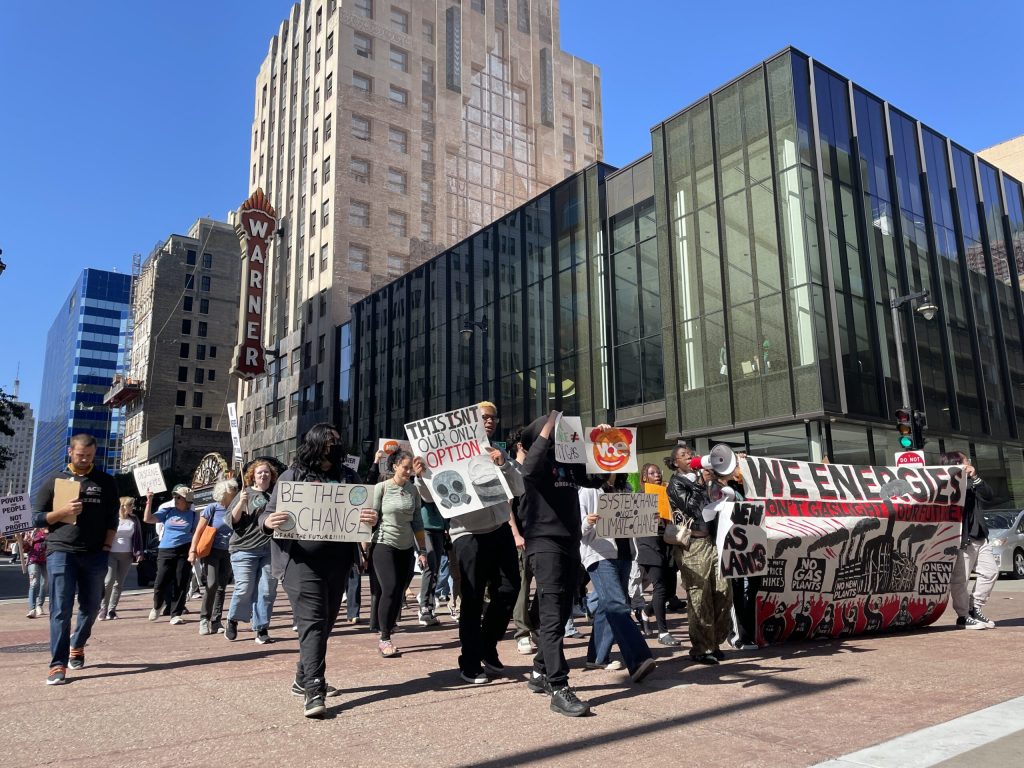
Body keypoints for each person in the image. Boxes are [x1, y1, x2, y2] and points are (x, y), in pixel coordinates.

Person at [261, 423, 376, 718]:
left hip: (338, 561)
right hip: (301, 563)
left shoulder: (348, 476)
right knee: (312, 622)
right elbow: (266, 513)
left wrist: (370, 517)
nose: (334, 446)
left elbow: (363, 513)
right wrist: (269, 521)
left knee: (325, 623)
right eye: (328, 442)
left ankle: (302, 677)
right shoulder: (292, 476)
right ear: (314, 444)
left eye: (337, 441)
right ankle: (315, 689)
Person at [413, 401, 525, 685]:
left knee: (511, 588)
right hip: (467, 534)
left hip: (499, 529)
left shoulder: (497, 451)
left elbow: (518, 487)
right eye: (484, 417)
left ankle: (487, 644)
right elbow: (429, 497)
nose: (490, 421)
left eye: (493, 417)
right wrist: (421, 476)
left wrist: (504, 464)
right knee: (472, 599)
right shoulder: (446, 455)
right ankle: (470, 661)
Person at [518, 411, 608, 717]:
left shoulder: (569, 464)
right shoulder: (537, 463)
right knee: (553, 615)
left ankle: (539, 672)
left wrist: (604, 442)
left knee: (561, 610)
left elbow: (597, 478)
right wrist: (547, 427)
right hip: (544, 544)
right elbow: (527, 470)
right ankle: (559, 687)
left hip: (570, 543)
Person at [32, 433, 119, 685]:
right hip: (61, 550)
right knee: (60, 609)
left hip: (95, 554)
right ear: (70, 452)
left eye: (89, 456)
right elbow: (36, 517)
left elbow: (112, 518)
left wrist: (105, 546)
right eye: (80, 455)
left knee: (92, 606)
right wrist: (62, 512)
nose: (84, 460)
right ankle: (57, 664)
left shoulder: (105, 481)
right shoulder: (55, 480)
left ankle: (77, 644)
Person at [579, 475, 657, 683]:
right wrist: (587, 521)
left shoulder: (627, 488)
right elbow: (576, 528)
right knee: (617, 604)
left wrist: (648, 518)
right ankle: (638, 659)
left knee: (608, 605)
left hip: (624, 554)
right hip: (599, 555)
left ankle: (596, 657)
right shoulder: (589, 490)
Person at [666, 446, 734, 664]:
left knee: (723, 590)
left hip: (712, 542)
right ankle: (701, 648)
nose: (689, 458)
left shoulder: (704, 479)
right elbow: (693, 508)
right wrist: (700, 483)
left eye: (690, 454)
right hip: (692, 545)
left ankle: (715, 641)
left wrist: (716, 480)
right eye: (684, 456)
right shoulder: (676, 483)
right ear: (676, 463)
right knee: (699, 596)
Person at [372, 450, 428, 658]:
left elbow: (417, 522)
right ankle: (384, 637)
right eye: (405, 467)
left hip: (406, 548)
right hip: (384, 544)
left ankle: (389, 624)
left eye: (410, 468)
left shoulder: (413, 490)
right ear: (395, 466)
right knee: (390, 587)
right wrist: (363, 547)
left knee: (399, 590)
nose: (408, 471)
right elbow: (372, 518)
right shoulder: (382, 488)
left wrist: (422, 550)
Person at [942, 450, 997, 629]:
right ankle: (963, 616)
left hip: (980, 535)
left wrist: (976, 478)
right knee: (961, 579)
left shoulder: (973, 481)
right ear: (958, 463)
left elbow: (989, 496)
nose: (970, 463)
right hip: (962, 538)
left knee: (990, 572)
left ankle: (975, 607)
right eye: (966, 460)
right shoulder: (949, 485)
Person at [226, 459, 278, 643]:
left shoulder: (277, 495)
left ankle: (261, 628)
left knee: (267, 590)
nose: (264, 475)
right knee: (244, 588)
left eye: (267, 472)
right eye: (260, 473)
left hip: (270, 549)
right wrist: (240, 503)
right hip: (244, 549)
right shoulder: (244, 493)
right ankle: (233, 619)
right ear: (252, 477)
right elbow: (231, 521)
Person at [635, 462, 680, 646]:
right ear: (644, 477)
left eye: (658, 472)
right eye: (652, 473)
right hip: (648, 544)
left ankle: (646, 612)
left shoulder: (666, 493)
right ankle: (663, 633)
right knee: (660, 587)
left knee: (669, 590)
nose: (657, 475)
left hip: (667, 543)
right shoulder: (639, 496)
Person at [189, 478, 239, 635]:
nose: (235, 492)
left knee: (222, 587)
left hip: (229, 552)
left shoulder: (237, 508)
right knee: (211, 584)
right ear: (224, 493)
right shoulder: (212, 508)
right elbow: (198, 531)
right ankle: (204, 618)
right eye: (233, 490)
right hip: (212, 551)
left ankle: (216, 621)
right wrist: (192, 551)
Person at [145, 485, 198, 625]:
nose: (175, 499)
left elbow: (196, 534)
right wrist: (149, 501)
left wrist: (193, 551)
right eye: (175, 496)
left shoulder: (193, 515)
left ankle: (176, 613)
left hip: (184, 549)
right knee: (160, 581)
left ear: (187, 500)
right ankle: (157, 605)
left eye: (179, 497)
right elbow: (148, 519)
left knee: (181, 582)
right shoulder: (168, 511)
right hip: (166, 549)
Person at [99, 496, 143, 620]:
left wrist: (139, 552)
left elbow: (138, 536)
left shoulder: (134, 519)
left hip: (127, 554)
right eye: (130, 505)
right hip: (111, 553)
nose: (132, 507)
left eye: (132, 505)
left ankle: (112, 610)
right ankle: (103, 608)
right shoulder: (113, 518)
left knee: (119, 584)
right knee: (109, 581)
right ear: (123, 506)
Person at [417, 495, 447, 626]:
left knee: (436, 568)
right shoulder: (421, 482)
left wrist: (447, 525)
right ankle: (423, 607)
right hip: (424, 527)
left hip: (440, 527)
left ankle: (429, 608)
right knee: (429, 564)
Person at [24, 528, 48, 618]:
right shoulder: (30, 531)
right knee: (34, 583)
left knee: (45, 583)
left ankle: (39, 605)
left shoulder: (50, 529)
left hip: (46, 560)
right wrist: (25, 541)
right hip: (33, 560)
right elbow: (26, 547)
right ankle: (32, 609)